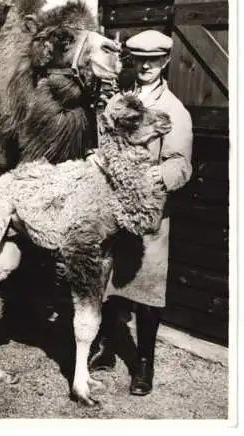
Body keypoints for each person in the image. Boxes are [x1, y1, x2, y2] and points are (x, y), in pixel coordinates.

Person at [90, 30, 193, 396]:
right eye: (139, 59)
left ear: (165, 61)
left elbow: (181, 164)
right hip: (112, 205)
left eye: (154, 59)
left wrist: (159, 174)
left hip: (149, 211)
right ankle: (104, 345)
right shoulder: (117, 101)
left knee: (147, 286)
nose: (146, 65)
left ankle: (144, 363)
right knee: (108, 278)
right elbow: (107, 144)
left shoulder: (174, 110)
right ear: (131, 61)